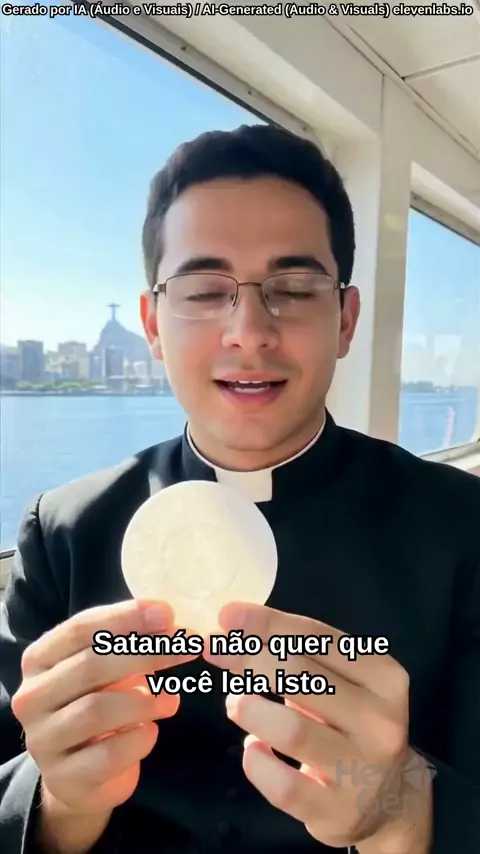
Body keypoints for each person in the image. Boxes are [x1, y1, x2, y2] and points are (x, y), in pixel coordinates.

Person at [0, 123, 479, 854]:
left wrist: (404, 810)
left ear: (345, 320)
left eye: (294, 289)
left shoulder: (462, 528)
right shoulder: (63, 533)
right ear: (153, 324)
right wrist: (58, 800)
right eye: (203, 291)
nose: (249, 331)